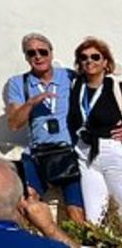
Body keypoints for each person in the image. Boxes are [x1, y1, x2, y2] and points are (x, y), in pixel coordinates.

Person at [4, 33, 86, 223]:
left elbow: (100, 90)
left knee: (76, 210)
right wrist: (31, 102)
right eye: (31, 53)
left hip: (68, 151)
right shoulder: (18, 83)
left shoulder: (68, 76)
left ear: (51, 53)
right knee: (27, 205)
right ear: (26, 57)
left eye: (42, 52)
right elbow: (14, 124)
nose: (38, 57)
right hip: (38, 152)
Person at [68, 36, 122, 223]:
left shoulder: (115, 85)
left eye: (95, 56)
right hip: (85, 152)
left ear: (105, 62)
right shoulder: (76, 86)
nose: (89, 61)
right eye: (84, 57)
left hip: (112, 150)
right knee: (95, 216)